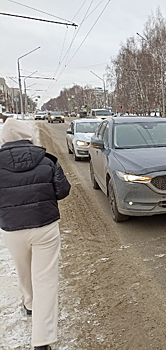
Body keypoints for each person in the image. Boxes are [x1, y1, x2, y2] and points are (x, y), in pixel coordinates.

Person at [0, 118, 71, 350]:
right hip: (45, 226)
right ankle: (42, 341)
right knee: (46, 280)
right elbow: (63, 190)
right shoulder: (47, 160)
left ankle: (29, 304)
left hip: (13, 228)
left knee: (24, 271)